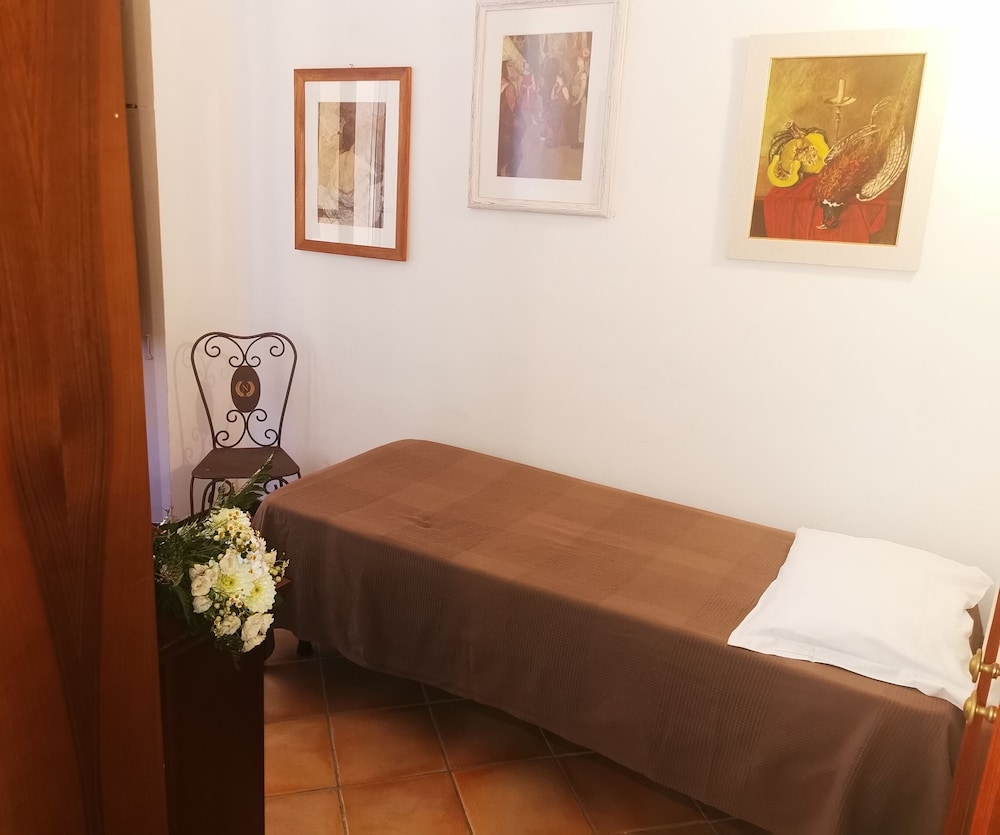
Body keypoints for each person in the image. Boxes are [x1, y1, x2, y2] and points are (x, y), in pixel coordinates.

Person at [544, 71, 569, 148]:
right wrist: (554, 87)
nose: (556, 78)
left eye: (557, 77)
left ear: (561, 78)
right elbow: (552, 97)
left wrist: (562, 107)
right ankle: (553, 141)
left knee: (553, 121)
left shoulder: (564, 88)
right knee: (551, 120)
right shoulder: (558, 87)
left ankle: (554, 142)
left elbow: (568, 100)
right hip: (557, 109)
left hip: (561, 110)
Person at [570, 52, 589, 149]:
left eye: (580, 59)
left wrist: (578, 100)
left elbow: (582, 89)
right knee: (576, 120)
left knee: (581, 120)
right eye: (577, 59)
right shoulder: (577, 72)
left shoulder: (583, 74)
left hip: (581, 100)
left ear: (583, 62)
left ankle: (580, 142)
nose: (577, 61)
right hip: (576, 98)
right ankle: (576, 141)